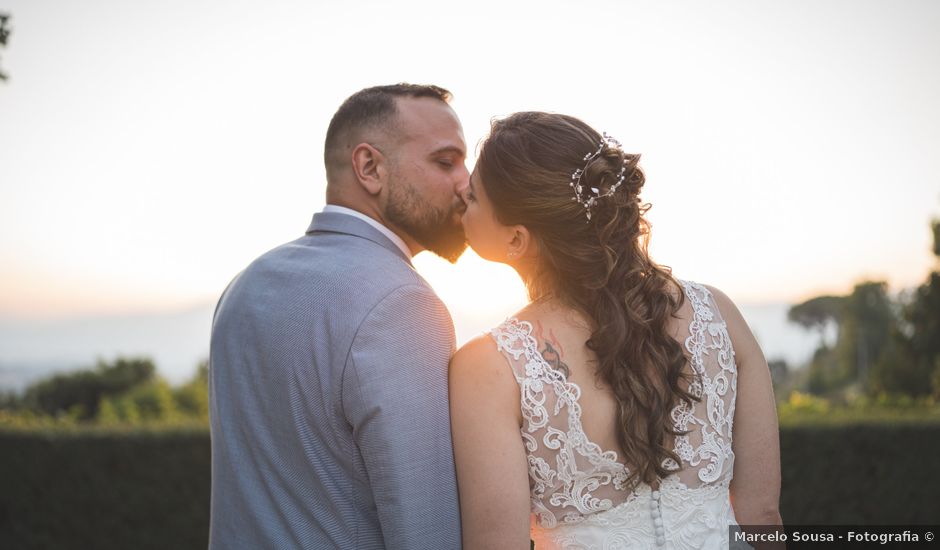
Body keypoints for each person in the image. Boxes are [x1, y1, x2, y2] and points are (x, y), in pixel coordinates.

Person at [450, 112, 783, 549]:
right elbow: (762, 517)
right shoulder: (718, 316)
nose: (460, 196)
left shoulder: (490, 368)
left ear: (516, 239)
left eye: (473, 197)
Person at [209, 83, 469, 549]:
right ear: (370, 167)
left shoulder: (245, 284)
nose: (465, 183)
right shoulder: (402, 303)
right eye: (445, 162)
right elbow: (427, 532)